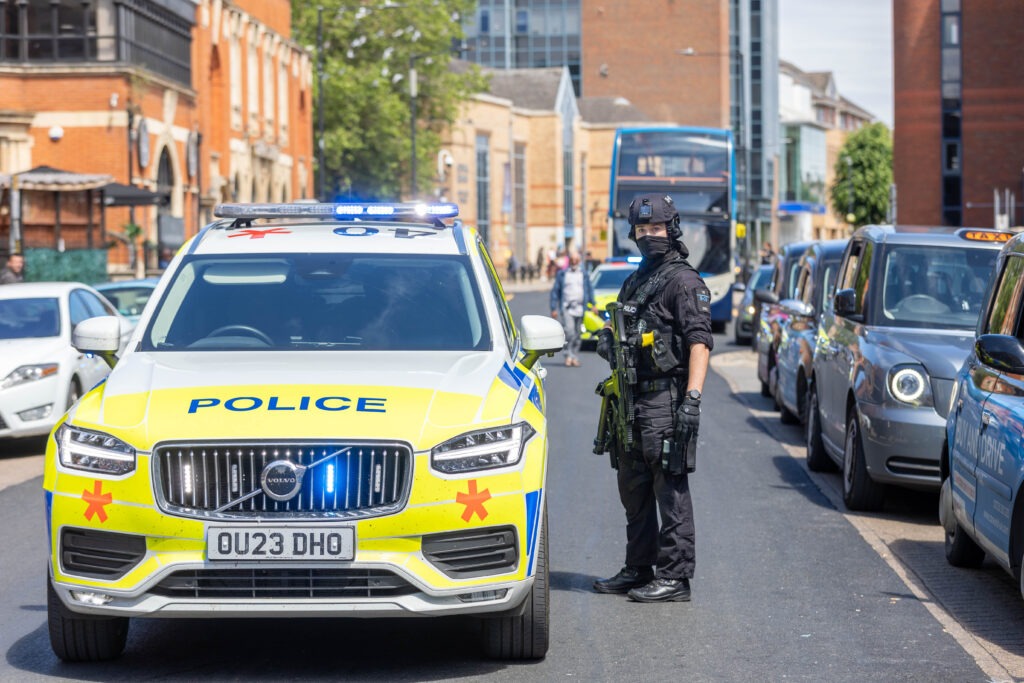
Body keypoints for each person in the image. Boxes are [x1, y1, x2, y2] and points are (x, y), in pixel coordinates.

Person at [593, 192, 712, 603]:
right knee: (634, 488)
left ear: (672, 229)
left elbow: (699, 343)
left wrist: (692, 400)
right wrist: (607, 340)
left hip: (665, 400)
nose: (648, 236)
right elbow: (620, 325)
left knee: (669, 488)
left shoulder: (683, 281)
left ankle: (675, 577)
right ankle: (638, 567)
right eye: (642, 230)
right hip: (631, 401)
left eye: (656, 229)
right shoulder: (636, 278)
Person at [549, 251, 595, 367]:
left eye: (576, 260)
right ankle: (568, 355)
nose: (574, 262)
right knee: (569, 331)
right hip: (567, 307)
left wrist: (593, 304)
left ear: (579, 261)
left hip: (580, 308)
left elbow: (589, 290)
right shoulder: (563, 274)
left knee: (578, 334)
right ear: (569, 261)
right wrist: (553, 308)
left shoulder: (584, 274)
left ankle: (574, 356)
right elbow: (555, 291)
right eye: (572, 259)